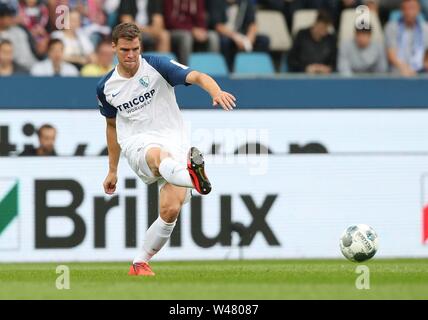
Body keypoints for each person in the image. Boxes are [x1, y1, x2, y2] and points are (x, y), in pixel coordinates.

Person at [97, 22, 236, 276]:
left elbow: (196, 76)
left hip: (174, 138)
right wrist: (112, 170)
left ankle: (139, 262)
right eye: (125, 50)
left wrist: (215, 91)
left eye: (135, 49)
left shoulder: (157, 66)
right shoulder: (106, 87)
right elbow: (110, 126)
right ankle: (193, 177)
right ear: (114, 47)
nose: (131, 56)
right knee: (157, 155)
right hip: (137, 142)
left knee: (170, 210)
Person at [385, 0, 428, 76]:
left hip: (421, 73)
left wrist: (420, 68)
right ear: (402, 10)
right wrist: (404, 68)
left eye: (412, 8)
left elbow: (426, 56)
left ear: (418, 9)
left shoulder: (425, 28)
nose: (409, 12)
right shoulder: (391, 27)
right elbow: (391, 55)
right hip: (398, 73)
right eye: (406, 8)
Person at [288, 10, 337, 74]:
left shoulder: (331, 39)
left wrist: (328, 68)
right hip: (303, 75)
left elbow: (334, 62)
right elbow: (292, 60)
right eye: (322, 27)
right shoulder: (301, 35)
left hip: (324, 76)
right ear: (316, 23)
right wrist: (305, 68)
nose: (323, 31)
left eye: (326, 28)